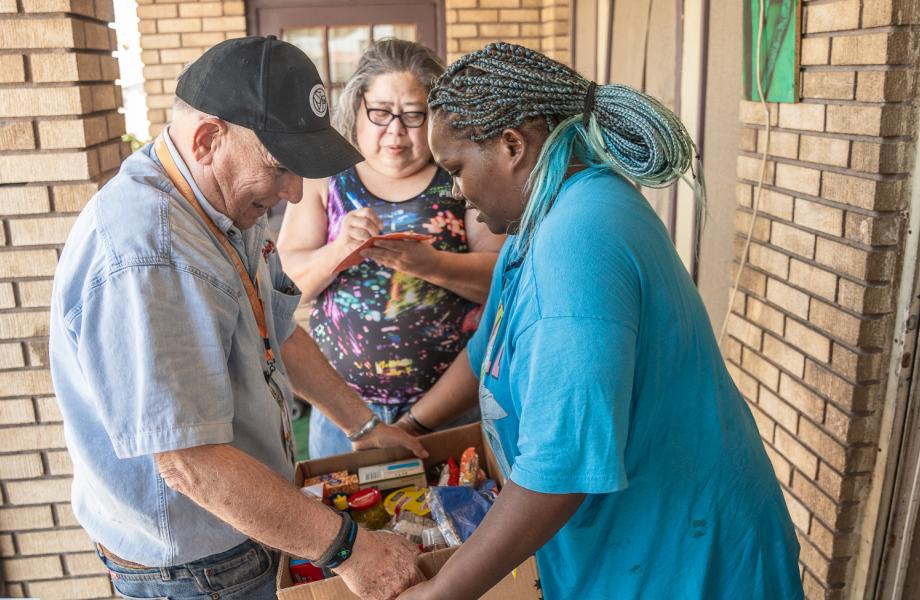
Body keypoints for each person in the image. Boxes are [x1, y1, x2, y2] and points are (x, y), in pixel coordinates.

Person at [397, 43, 804, 600]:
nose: (455, 192)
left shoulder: (577, 239)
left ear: (512, 146)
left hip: (681, 557)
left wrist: (442, 593)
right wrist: (412, 429)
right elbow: (484, 352)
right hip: (628, 546)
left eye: (456, 169)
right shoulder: (535, 225)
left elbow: (559, 466)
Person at [49, 36, 427, 600]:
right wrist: (349, 549)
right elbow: (190, 464)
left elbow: (278, 332)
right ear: (207, 139)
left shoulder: (219, 199)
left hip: (255, 522)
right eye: (280, 169)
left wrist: (365, 427)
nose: (294, 195)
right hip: (197, 568)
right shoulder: (150, 253)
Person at [277, 39, 503, 458]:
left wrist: (432, 265)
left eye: (413, 115)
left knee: (455, 519)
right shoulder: (326, 179)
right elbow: (285, 286)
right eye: (380, 112)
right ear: (357, 107)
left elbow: (502, 280)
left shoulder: (460, 178)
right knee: (349, 519)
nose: (395, 131)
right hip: (347, 413)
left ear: (436, 116)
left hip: (449, 410)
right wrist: (339, 248)